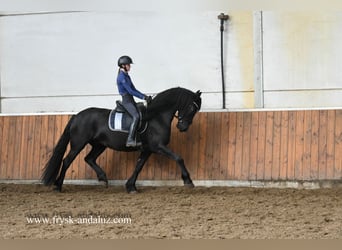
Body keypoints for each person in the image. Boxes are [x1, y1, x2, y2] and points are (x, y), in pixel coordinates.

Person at [116, 55, 152, 147]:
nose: (130, 66)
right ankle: (130, 140)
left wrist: (145, 96)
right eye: (128, 65)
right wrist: (143, 98)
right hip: (127, 101)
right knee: (136, 116)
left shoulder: (126, 75)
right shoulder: (122, 77)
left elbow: (134, 89)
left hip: (131, 100)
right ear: (123, 65)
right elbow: (130, 91)